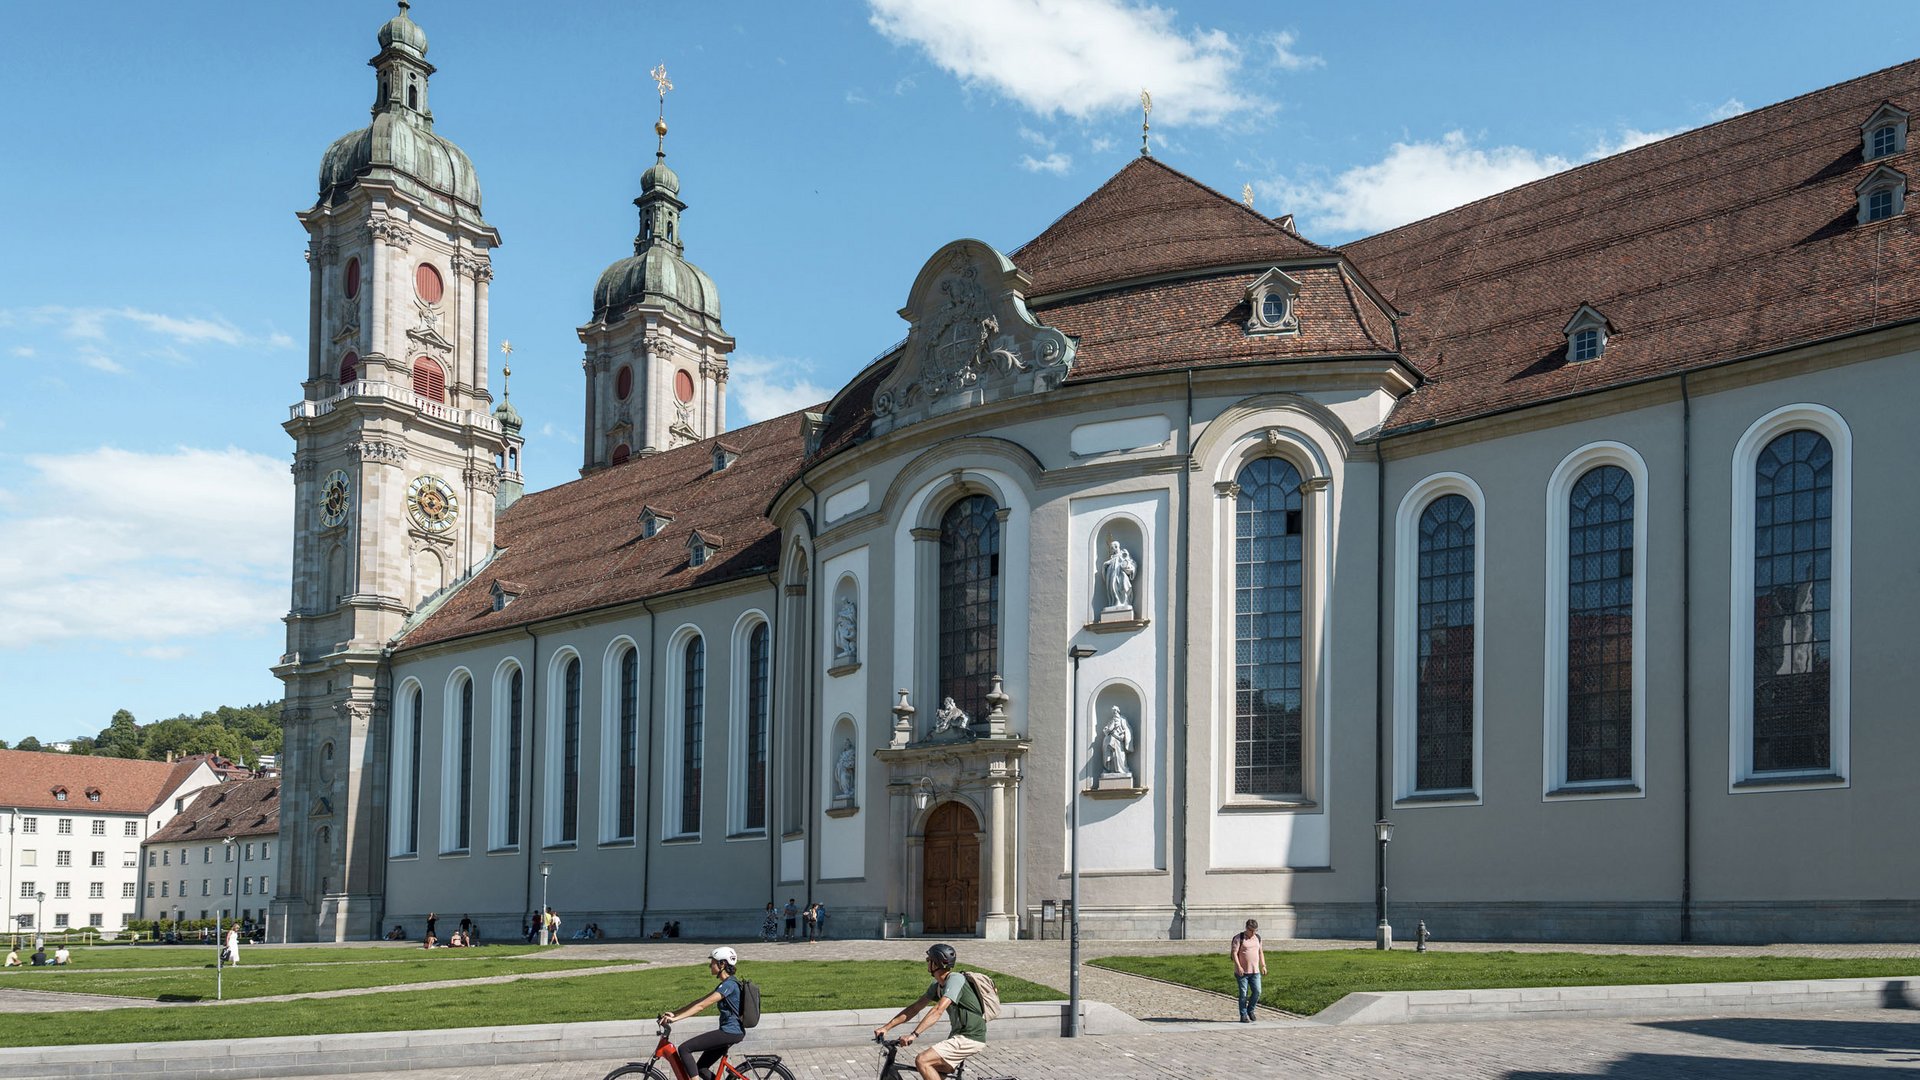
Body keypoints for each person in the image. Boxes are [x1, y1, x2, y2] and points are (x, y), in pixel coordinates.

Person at [874, 943, 988, 1080]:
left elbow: (938, 1009)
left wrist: (913, 1035)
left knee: (922, 1060)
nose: (927, 963)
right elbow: (915, 1008)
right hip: (958, 1036)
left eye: (929, 960)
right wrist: (886, 1028)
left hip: (969, 1036)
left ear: (935, 964)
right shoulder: (938, 985)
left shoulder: (956, 979)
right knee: (932, 1069)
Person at [661, 946, 747, 1080]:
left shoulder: (729, 985)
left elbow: (701, 1006)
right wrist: (674, 1013)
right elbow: (700, 1001)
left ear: (722, 964)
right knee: (701, 1068)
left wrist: (676, 1020)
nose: (710, 966)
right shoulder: (726, 984)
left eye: (712, 962)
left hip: (730, 1032)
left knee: (684, 1049)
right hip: (729, 1031)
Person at [1230, 919, 1266, 1023]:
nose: (1253, 933)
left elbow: (1260, 952)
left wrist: (1263, 965)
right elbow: (1234, 953)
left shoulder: (1257, 938)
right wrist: (1239, 966)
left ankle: (1250, 1010)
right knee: (1243, 994)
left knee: (1257, 991)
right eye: (1251, 931)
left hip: (1255, 971)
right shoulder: (1239, 938)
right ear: (1247, 928)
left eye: (1255, 930)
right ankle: (1243, 1015)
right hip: (1242, 972)